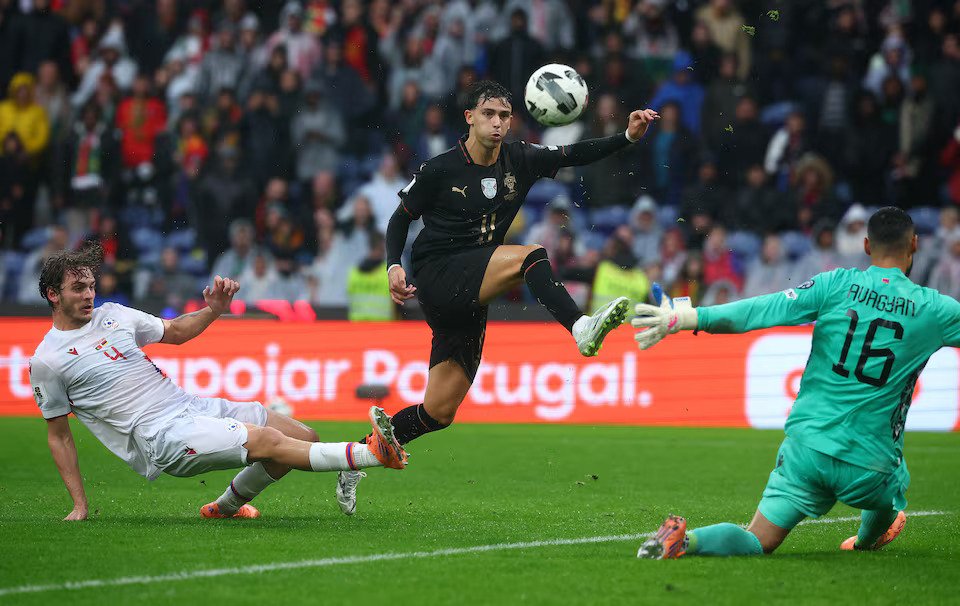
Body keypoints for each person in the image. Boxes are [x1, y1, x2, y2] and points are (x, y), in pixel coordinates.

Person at [334, 79, 658, 513]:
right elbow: (399, 220)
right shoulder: (440, 169)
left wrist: (626, 137)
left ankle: (352, 459)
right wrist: (395, 263)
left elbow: (573, 155)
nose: (498, 123)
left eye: (505, 116)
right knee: (532, 255)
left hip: (474, 287)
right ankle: (579, 326)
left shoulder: (518, 159)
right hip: (438, 273)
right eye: (489, 114)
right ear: (469, 118)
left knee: (438, 412)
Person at [632, 207, 952, 558]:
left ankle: (686, 540)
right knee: (893, 488)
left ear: (865, 245)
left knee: (757, 539)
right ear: (915, 245)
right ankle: (865, 541)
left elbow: (760, 310)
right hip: (870, 466)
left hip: (807, 451)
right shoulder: (934, 309)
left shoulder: (836, 284)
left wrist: (688, 317)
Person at [28, 244, 407, 522]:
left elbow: (174, 331)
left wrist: (213, 311)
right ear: (52, 295)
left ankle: (223, 508)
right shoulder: (48, 360)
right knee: (270, 443)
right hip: (160, 434)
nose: (90, 294)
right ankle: (366, 456)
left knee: (303, 436)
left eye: (91, 285)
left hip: (189, 405)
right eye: (78, 289)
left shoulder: (113, 315)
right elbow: (59, 436)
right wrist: (79, 505)